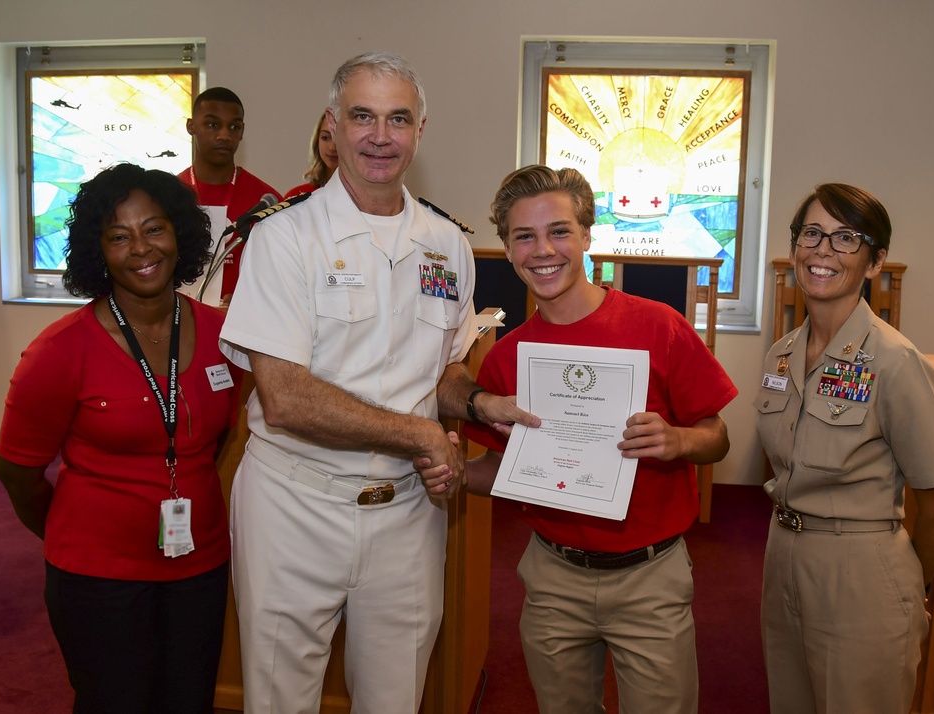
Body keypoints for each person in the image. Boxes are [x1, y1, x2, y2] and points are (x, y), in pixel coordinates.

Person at [218, 51, 537, 713]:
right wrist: (419, 432)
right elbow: (283, 396)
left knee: (396, 699)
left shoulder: (446, 243)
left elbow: (440, 369)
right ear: (332, 126)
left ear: (422, 130)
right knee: (280, 699)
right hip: (293, 504)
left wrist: (478, 402)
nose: (380, 135)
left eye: (398, 118)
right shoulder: (284, 238)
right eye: (362, 116)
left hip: (407, 510)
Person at [419, 165, 738, 713]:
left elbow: (718, 437)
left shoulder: (658, 326)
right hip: (552, 577)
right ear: (509, 248)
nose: (543, 250)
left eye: (559, 231)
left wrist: (678, 441)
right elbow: (506, 469)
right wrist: (457, 474)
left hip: (650, 577)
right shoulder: (507, 356)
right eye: (525, 236)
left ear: (588, 235)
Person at [0, 163, 244, 713]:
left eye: (154, 228)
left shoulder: (225, 336)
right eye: (118, 236)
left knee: (189, 701)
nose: (140, 248)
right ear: (97, 251)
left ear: (180, 231)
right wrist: (73, 531)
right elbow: (17, 472)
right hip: (97, 577)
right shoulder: (58, 352)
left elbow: (224, 435)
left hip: (198, 566)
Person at [756, 183, 934, 714]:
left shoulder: (895, 362)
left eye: (846, 238)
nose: (823, 250)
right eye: (812, 233)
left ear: (875, 262)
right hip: (781, 556)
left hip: (861, 573)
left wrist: (902, 586)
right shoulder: (781, 355)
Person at [178, 86, 279, 304]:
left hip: (246, 327)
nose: (224, 135)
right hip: (180, 323)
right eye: (212, 124)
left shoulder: (266, 200)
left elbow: (282, 275)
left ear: (242, 132)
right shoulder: (167, 195)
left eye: (234, 126)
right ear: (191, 126)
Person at [283, 111, 339, 199]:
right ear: (317, 141)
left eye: (339, 139)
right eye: (325, 138)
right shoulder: (296, 196)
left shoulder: (365, 199)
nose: (332, 147)